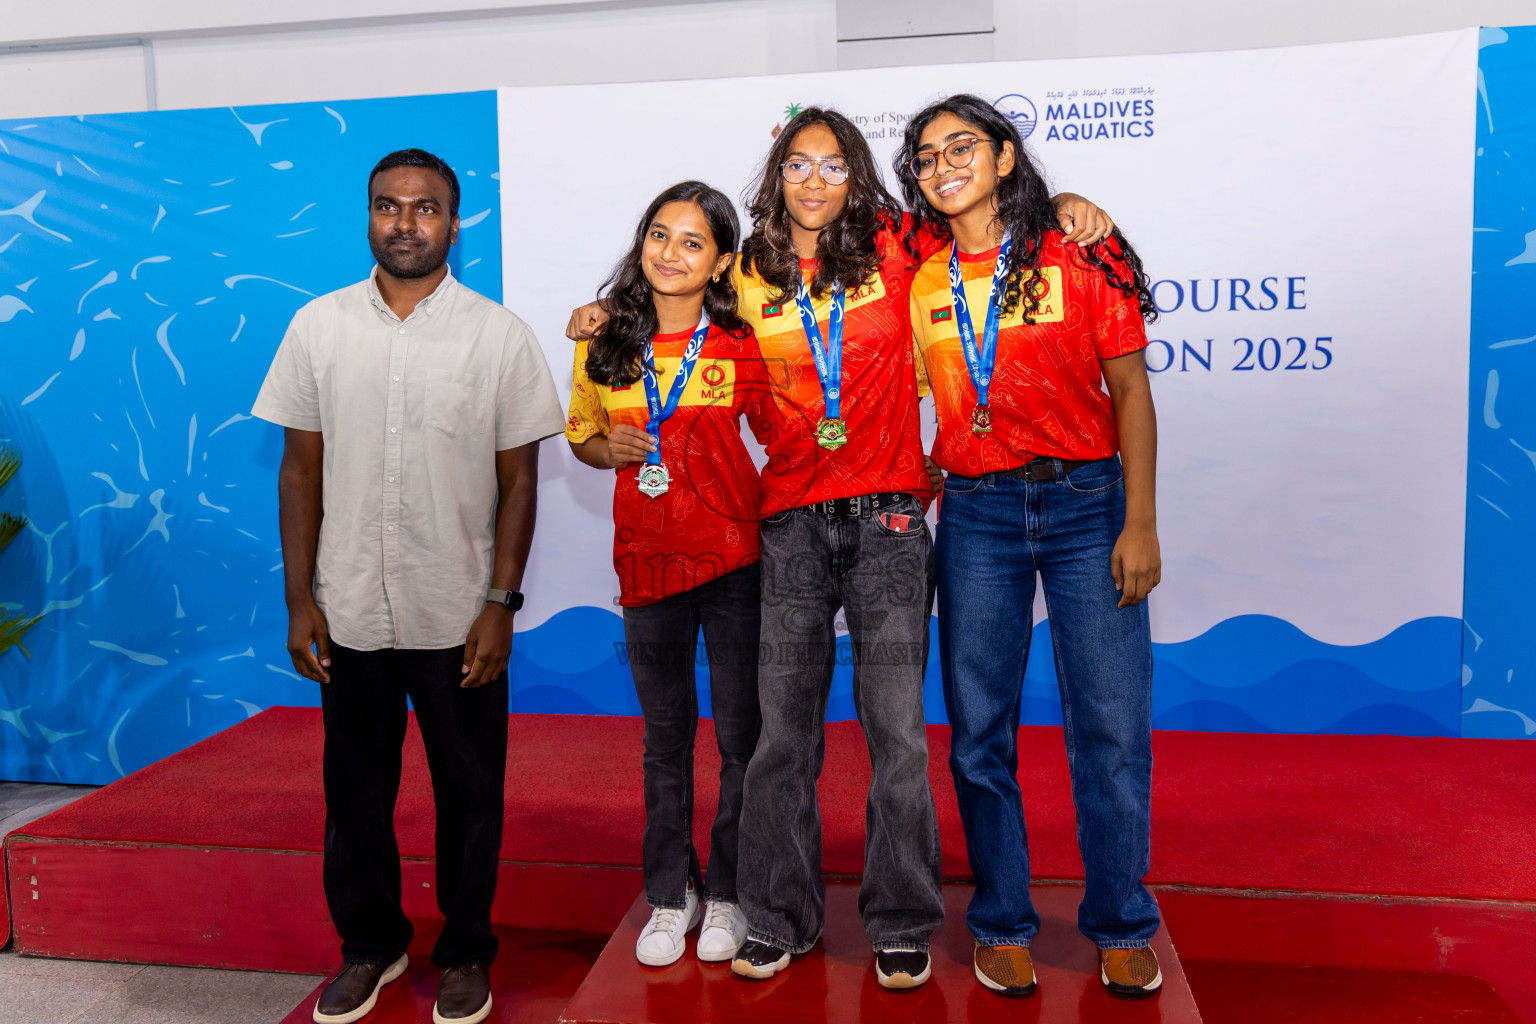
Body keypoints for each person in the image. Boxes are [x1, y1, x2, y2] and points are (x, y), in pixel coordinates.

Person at [568, 105, 1113, 990]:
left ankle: (900, 919)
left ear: (856, 176)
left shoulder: (897, 247)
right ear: (776, 175)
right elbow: (670, 311)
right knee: (783, 738)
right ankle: (779, 916)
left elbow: (986, 220)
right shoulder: (747, 270)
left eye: (832, 165)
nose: (814, 180)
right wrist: (605, 309)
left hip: (890, 524)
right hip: (788, 528)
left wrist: (1067, 204)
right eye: (797, 164)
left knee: (896, 735)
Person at [253, 148, 565, 1024]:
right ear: (368, 217)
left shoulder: (498, 336)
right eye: (388, 206)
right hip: (348, 608)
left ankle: (465, 952)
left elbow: (520, 483)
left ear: (454, 224)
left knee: (470, 794)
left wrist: (499, 604)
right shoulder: (317, 327)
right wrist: (301, 600)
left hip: (457, 611)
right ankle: (371, 947)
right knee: (355, 796)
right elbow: (298, 472)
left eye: (424, 208)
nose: (405, 222)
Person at [896, 94, 1163, 999]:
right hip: (976, 512)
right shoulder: (919, 274)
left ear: (1006, 156)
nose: (943, 166)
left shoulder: (1078, 249)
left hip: (1089, 505)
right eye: (926, 156)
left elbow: (1131, 390)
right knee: (979, 732)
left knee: (1111, 726)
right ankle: (1002, 919)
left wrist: (1140, 520)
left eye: (961, 147)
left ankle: (1122, 921)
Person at [565, 181, 778, 967]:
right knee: (665, 741)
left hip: (734, 562)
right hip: (646, 563)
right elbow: (582, 436)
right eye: (660, 234)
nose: (671, 252)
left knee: (740, 739)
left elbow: (784, 436)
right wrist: (606, 450)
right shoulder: (603, 340)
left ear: (721, 262)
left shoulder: (741, 343)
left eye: (694, 242)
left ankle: (729, 891)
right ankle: (670, 892)